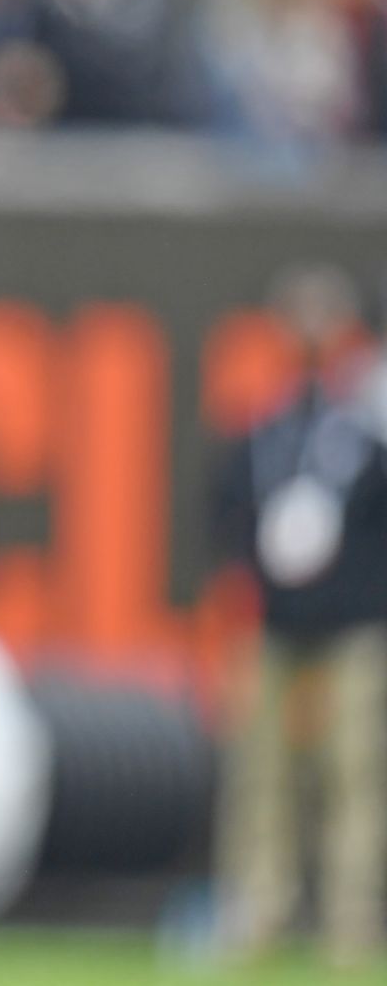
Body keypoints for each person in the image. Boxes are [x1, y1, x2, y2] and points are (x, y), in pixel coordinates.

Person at [212, 264, 387, 968]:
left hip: (353, 624)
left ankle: (353, 918)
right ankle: (259, 911)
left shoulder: (367, 438)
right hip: (274, 624)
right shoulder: (259, 435)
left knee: (356, 771)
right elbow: (227, 522)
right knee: (261, 774)